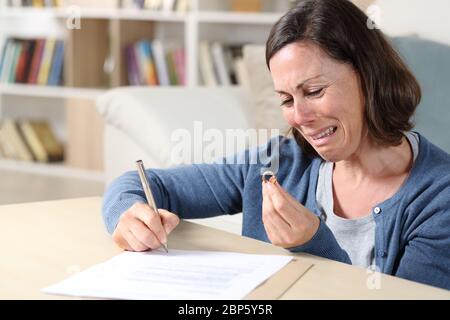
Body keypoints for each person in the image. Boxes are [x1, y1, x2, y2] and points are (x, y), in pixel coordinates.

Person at [102, 0, 450, 290]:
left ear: (369, 76)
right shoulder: (280, 163)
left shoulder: (439, 198)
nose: (298, 116)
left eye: (314, 92)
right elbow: (146, 184)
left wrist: (313, 243)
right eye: (286, 99)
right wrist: (128, 216)